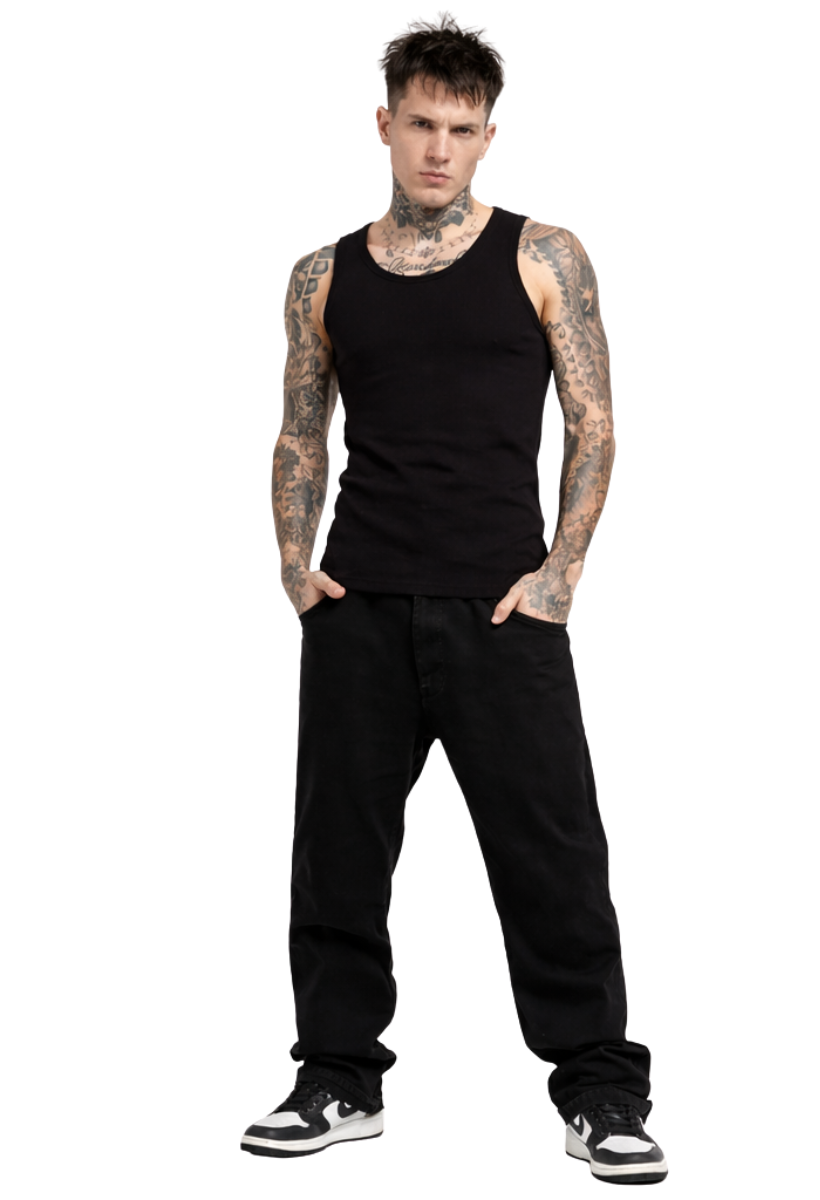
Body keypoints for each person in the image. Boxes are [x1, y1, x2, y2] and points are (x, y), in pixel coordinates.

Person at [241, 14, 667, 1185]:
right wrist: (294, 563)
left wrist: (559, 575)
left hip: (501, 611)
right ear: (385, 124)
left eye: (462, 130)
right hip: (360, 605)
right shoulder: (323, 274)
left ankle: (601, 1092)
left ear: (487, 137)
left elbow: (595, 423)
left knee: (554, 857)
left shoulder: (545, 254)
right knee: (337, 858)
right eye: (422, 124)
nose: (439, 149)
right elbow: (300, 427)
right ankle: (336, 1079)